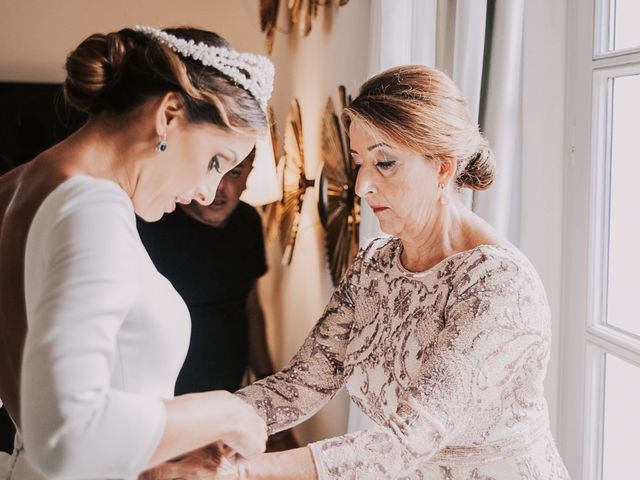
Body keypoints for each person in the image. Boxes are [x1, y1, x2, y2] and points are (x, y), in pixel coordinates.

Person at [146, 65, 570, 479]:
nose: (361, 185)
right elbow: (301, 384)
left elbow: (403, 443)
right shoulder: (374, 265)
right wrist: (196, 435)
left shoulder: (498, 286)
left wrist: (241, 473)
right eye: (358, 162)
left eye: (384, 163)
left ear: (442, 167)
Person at [0, 25, 274, 479]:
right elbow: (67, 436)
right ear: (169, 115)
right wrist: (229, 412)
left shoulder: (12, 191)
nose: (207, 193)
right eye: (215, 161)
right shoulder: (92, 206)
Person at [137, 147, 275, 395]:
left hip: (228, 391)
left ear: (248, 177)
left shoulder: (249, 222)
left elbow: (251, 306)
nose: (219, 187)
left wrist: (266, 379)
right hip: (163, 398)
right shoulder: (152, 222)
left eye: (234, 173)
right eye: (211, 170)